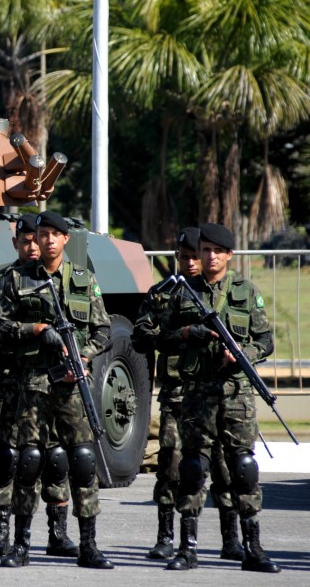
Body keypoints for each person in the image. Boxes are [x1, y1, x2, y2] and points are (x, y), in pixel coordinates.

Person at [0, 211, 114, 569]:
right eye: (41, 234)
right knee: (29, 462)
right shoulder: (16, 279)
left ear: (65, 239)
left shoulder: (83, 280)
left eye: (53, 234)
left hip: (72, 385)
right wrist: (35, 330)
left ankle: (88, 545)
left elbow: (103, 330)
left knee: (82, 460)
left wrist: (84, 356)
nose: (46, 240)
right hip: (33, 382)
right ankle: (20, 545)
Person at [157, 223, 281, 573]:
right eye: (205, 250)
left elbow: (266, 340)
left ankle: (252, 547)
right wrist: (186, 333)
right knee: (193, 468)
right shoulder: (183, 293)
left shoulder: (245, 291)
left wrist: (243, 353)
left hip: (237, 394)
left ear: (229, 255)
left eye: (217, 251)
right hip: (197, 394)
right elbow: (162, 338)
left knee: (243, 469)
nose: (210, 257)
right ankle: (187, 548)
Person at [0, 213, 79, 559]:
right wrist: (23, 331)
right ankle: (0, 532)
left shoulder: (65, 281)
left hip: (54, 383)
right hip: (10, 383)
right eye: (27, 240)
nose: (34, 247)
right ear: (15, 243)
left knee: (55, 457)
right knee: (7, 458)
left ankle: (58, 533)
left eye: (39, 239)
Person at [133, 227, 243, 561]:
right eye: (185, 257)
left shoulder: (222, 292)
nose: (192, 263)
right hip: (177, 392)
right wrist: (180, 335)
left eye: (197, 256)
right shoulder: (164, 293)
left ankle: (231, 538)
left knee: (224, 465)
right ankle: (165, 536)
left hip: (216, 391)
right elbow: (141, 336)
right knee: (172, 465)